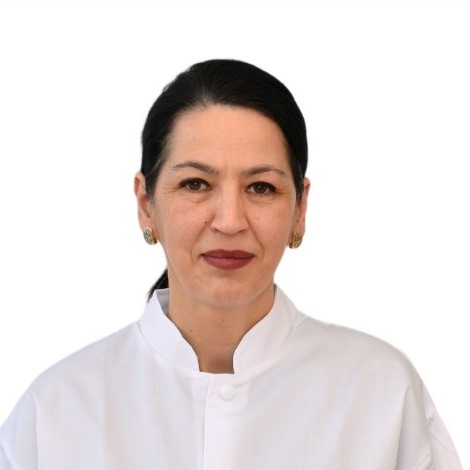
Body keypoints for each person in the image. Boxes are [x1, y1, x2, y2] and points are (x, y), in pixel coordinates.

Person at [0, 59, 462, 469]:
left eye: (261, 188)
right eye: (196, 184)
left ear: (300, 209)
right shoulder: (56, 411)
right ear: (146, 203)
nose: (229, 221)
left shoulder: (381, 393)